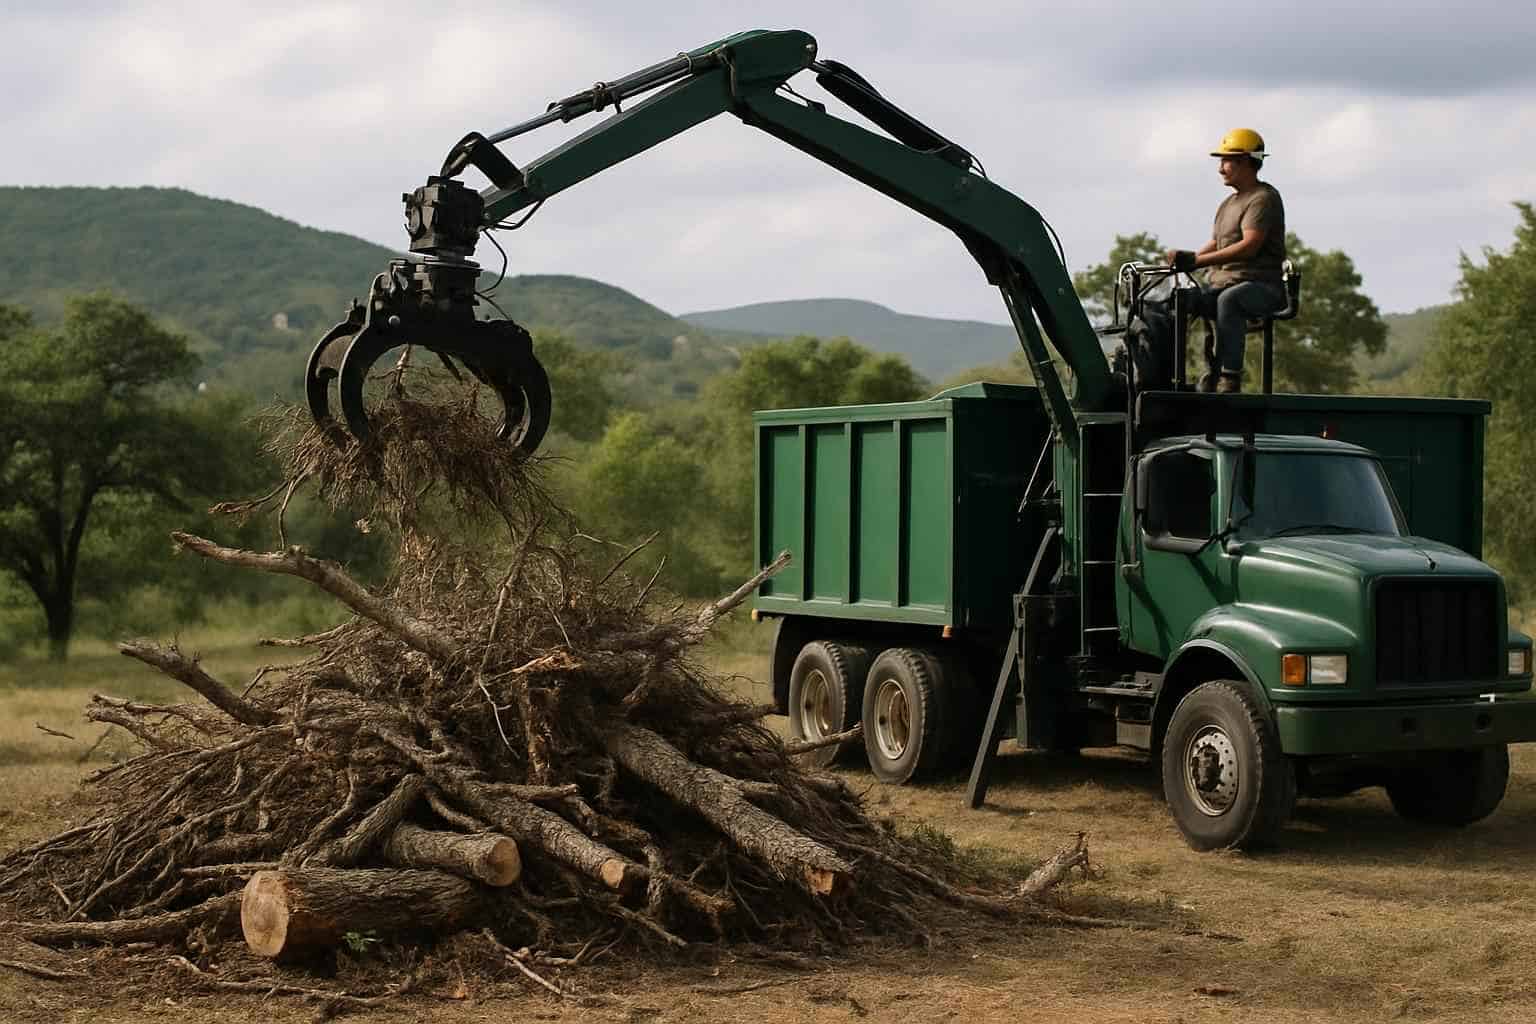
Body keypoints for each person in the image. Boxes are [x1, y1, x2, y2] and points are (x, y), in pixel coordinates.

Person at [1165, 128, 1287, 393]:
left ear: (1245, 161)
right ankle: (1174, 375)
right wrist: (1189, 259)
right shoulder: (1228, 203)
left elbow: (1249, 246)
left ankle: (1229, 377)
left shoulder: (1263, 199)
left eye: (1226, 161)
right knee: (1184, 300)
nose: (1220, 169)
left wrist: (1197, 262)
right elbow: (1217, 242)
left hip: (1262, 285)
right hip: (1227, 282)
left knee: (1229, 300)